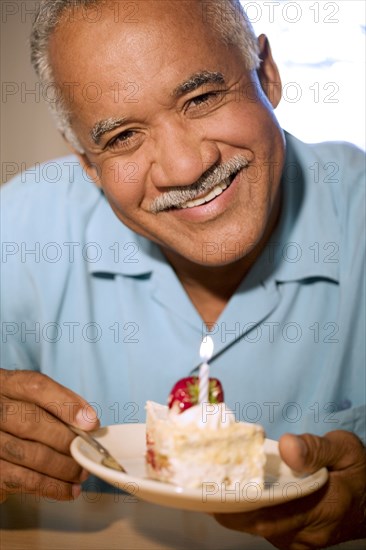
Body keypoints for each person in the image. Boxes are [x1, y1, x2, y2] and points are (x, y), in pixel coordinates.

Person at [1, 0, 365, 548]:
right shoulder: (21, 229)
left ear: (267, 72)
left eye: (201, 98)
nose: (185, 168)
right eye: (122, 136)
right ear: (86, 163)